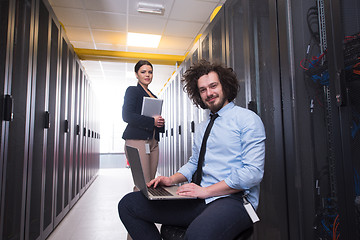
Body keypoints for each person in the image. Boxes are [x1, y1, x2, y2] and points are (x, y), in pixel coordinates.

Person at [118, 59, 266, 240]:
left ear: (225, 86)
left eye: (213, 86)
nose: (209, 93)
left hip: (233, 200)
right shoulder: (203, 127)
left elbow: (253, 173)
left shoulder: (247, 119)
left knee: (197, 235)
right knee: (128, 204)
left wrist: (207, 191)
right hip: (200, 198)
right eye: (203, 90)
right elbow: (194, 162)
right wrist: (170, 179)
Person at [122, 60, 165, 183]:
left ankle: (147, 202)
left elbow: (154, 119)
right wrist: (152, 121)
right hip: (137, 141)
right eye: (143, 72)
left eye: (150, 72)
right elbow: (127, 116)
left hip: (153, 141)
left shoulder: (154, 96)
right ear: (136, 74)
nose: (147, 75)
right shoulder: (132, 91)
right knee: (142, 184)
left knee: (151, 182)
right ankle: (137, 202)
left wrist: (160, 122)